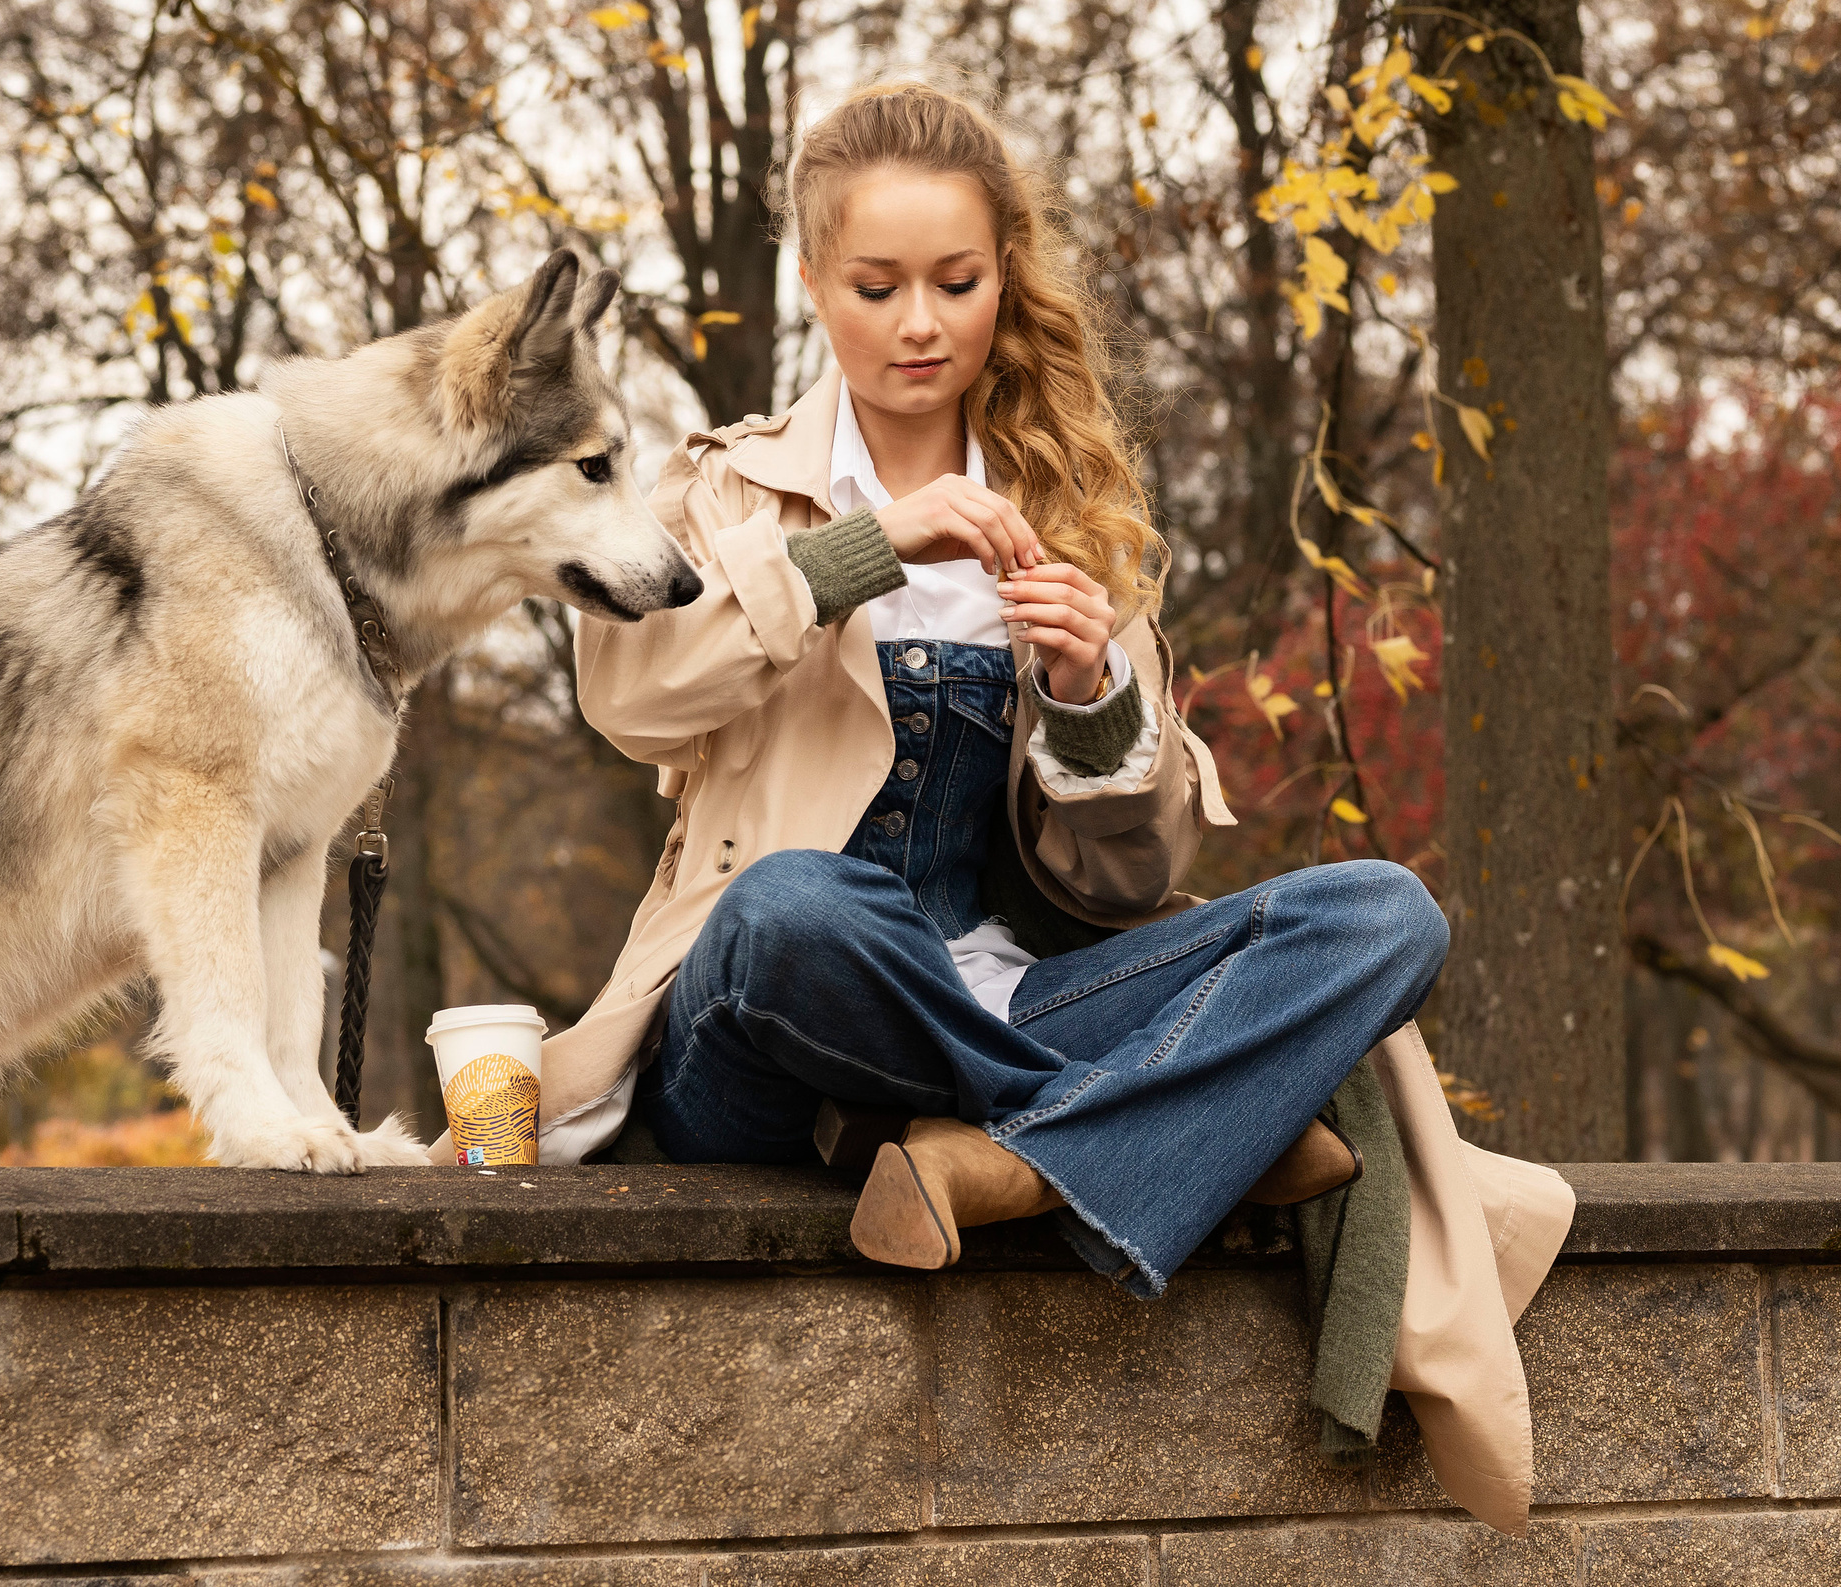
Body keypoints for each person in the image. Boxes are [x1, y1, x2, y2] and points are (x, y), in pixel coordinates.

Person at [555, 77, 1452, 1300]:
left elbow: (1127, 882)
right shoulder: (721, 494)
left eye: (956, 283)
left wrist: (1088, 694)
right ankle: (1177, 1134)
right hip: (766, 1026)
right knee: (791, 907)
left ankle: (1002, 1161)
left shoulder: (1070, 515)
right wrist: (866, 551)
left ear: (1005, 273)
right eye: (875, 288)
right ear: (814, 284)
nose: (918, 322)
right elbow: (630, 699)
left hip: (1012, 995)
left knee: (1383, 915)